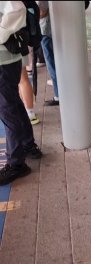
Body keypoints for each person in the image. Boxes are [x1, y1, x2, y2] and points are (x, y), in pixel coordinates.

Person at [0, 1, 42, 186]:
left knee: (7, 109)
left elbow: (16, 8)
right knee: (13, 105)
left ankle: (16, 163)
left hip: (3, 59)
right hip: (6, 57)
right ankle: (27, 144)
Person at [37, 0, 59, 106]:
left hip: (46, 30)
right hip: (50, 29)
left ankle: (58, 95)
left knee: (51, 64)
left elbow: (42, 11)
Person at [19, 55, 40, 125]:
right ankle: (28, 110)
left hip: (10, 51)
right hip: (19, 48)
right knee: (22, 80)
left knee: (22, 80)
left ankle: (29, 112)